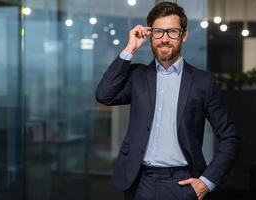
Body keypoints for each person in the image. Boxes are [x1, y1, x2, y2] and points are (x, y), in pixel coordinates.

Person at [95, 2, 241, 200]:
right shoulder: (138, 76)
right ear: (149, 35)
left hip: (183, 183)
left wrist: (206, 182)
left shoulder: (203, 82)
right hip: (139, 182)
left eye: (172, 31)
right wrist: (130, 48)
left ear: (184, 35)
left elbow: (230, 137)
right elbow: (104, 95)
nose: (164, 39)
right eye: (158, 32)